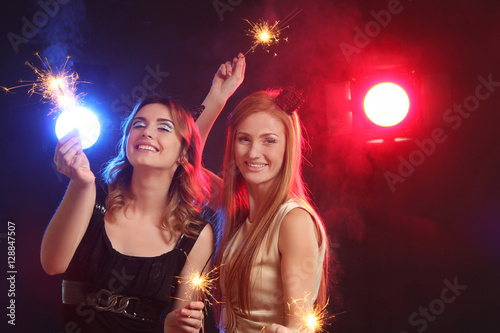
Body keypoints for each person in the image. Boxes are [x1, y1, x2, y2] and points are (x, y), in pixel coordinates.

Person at [40, 54, 245, 333]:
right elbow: (52, 263)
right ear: (126, 141)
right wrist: (81, 184)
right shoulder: (93, 195)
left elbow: (182, 326)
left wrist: (174, 326)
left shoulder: (196, 234)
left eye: (164, 128)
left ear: (184, 154)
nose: (147, 132)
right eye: (139, 124)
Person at [197, 86, 329, 333]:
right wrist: (216, 97)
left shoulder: (293, 220)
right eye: (244, 139)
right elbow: (183, 162)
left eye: (269, 140)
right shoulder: (237, 211)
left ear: (288, 146)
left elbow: (300, 326)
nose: (253, 153)